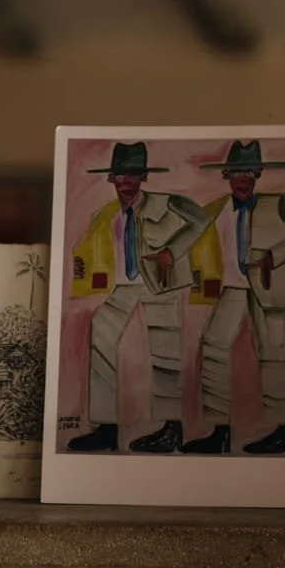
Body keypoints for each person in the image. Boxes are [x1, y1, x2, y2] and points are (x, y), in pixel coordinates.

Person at [65, 142, 211, 454]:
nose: (126, 181)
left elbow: (201, 219)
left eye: (133, 174)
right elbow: (89, 250)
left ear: (144, 177)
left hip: (161, 283)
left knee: (165, 354)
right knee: (100, 334)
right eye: (120, 175)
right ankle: (106, 429)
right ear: (111, 178)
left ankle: (171, 429)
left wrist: (173, 251)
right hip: (125, 285)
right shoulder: (104, 215)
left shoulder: (167, 202)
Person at [186, 139, 285, 454]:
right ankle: (220, 431)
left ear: (258, 174)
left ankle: (284, 432)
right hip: (233, 286)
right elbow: (192, 241)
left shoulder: (277, 203)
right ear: (227, 175)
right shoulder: (215, 209)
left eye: (249, 172)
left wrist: (274, 256)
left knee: (274, 354)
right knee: (213, 343)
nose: (243, 179)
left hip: (270, 286)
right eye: (237, 172)